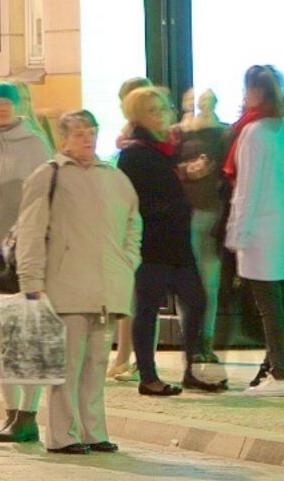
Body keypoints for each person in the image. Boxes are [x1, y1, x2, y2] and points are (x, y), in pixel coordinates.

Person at [12, 108, 143, 457]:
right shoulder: (49, 175)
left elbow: (133, 222)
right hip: (65, 283)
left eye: (92, 132)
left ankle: (94, 430)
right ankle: (62, 434)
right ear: (64, 139)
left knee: (96, 364)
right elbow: (31, 230)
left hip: (106, 286)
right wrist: (31, 279)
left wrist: (128, 261)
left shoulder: (114, 177)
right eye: (80, 133)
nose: (88, 139)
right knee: (66, 366)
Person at [0, 82, 58, 442]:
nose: (0, 109)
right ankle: (10, 412)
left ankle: (28, 414)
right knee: (0, 339)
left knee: (25, 335)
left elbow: (45, 201)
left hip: (24, 253)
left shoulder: (34, 143)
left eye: (7, 102)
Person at [115, 83, 216, 395]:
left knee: (196, 301)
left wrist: (184, 174)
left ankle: (192, 370)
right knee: (147, 309)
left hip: (177, 242)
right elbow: (134, 200)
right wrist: (171, 203)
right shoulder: (134, 153)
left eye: (162, 108)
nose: (160, 115)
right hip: (152, 243)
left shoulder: (167, 147)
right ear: (137, 117)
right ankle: (148, 377)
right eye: (151, 111)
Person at [224, 65, 284, 392]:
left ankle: (280, 375)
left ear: (255, 92)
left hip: (261, 229)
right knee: (283, 305)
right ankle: (279, 370)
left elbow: (249, 188)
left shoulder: (254, 132)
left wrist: (237, 233)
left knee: (269, 308)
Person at [175, 89, 236, 351]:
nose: (200, 105)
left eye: (205, 100)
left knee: (208, 280)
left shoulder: (223, 133)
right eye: (194, 101)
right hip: (186, 215)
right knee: (189, 281)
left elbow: (230, 173)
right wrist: (187, 171)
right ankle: (193, 340)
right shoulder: (178, 134)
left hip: (211, 214)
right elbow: (168, 170)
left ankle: (205, 340)